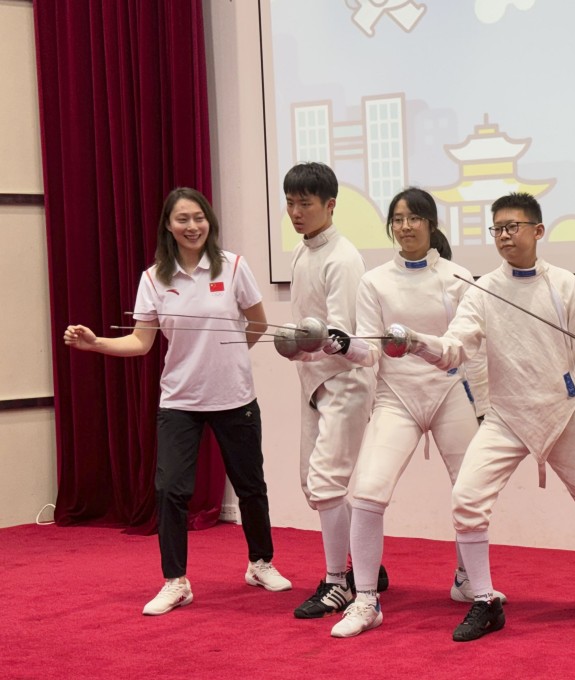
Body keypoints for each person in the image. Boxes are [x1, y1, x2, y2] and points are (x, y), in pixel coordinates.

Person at [383, 192, 575, 642]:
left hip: (564, 411)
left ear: (537, 230)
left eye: (514, 227)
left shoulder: (565, 285)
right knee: (467, 499)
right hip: (506, 416)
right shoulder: (483, 289)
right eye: (498, 229)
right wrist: (416, 342)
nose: (506, 236)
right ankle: (484, 599)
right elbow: (455, 347)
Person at [63, 187, 291, 616]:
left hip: (234, 395)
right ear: (168, 226)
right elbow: (140, 342)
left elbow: (258, 323)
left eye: (199, 218)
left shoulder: (235, 266)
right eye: (182, 219)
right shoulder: (154, 278)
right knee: (170, 489)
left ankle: (260, 563)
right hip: (180, 400)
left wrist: (229, 358)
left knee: (250, 486)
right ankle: (176, 581)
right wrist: (95, 344)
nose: (192, 226)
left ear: (210, 221)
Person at [324, 187, 505, 639]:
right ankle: (365, 598)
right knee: (366, 492)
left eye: (414, 218)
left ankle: (469, 584)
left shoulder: (459, 277)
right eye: (398, 219)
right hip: (396, 399)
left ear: (431, 223)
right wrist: (343, 345)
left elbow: (471, 350)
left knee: (471, 491)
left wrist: (483, 405)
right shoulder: (375, 281)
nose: (406, 226)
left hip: (449, 393)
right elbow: (369, 352)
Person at [283, 163, 379, 625]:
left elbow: (342, 335)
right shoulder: (303, 253)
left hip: (344, 381)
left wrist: (301, 345)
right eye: (291, 203)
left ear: (330, 205)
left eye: (305, 203)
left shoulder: (343, 257)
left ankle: (339, 584)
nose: (296, 212)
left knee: (327, 483)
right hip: (314, 381)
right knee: (312, 482)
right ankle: (364, 564)